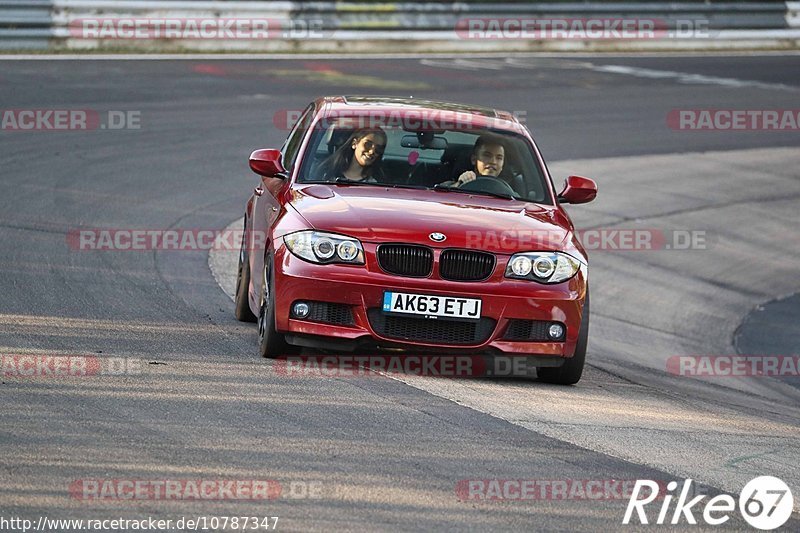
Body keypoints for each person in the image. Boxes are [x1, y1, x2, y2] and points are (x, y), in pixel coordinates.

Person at [316, 127, 387, 182]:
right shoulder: (325, 174)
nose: (372, 151)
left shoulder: (377, 183)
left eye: (378, 149)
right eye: (367, 144)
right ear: (354, 143)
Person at [440, 134, 509, 188]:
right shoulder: (455, 184)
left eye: (499, 158)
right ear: (474, 159)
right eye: (487, 155)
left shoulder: (512, 195)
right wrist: (459, 184)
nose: (493, 162)